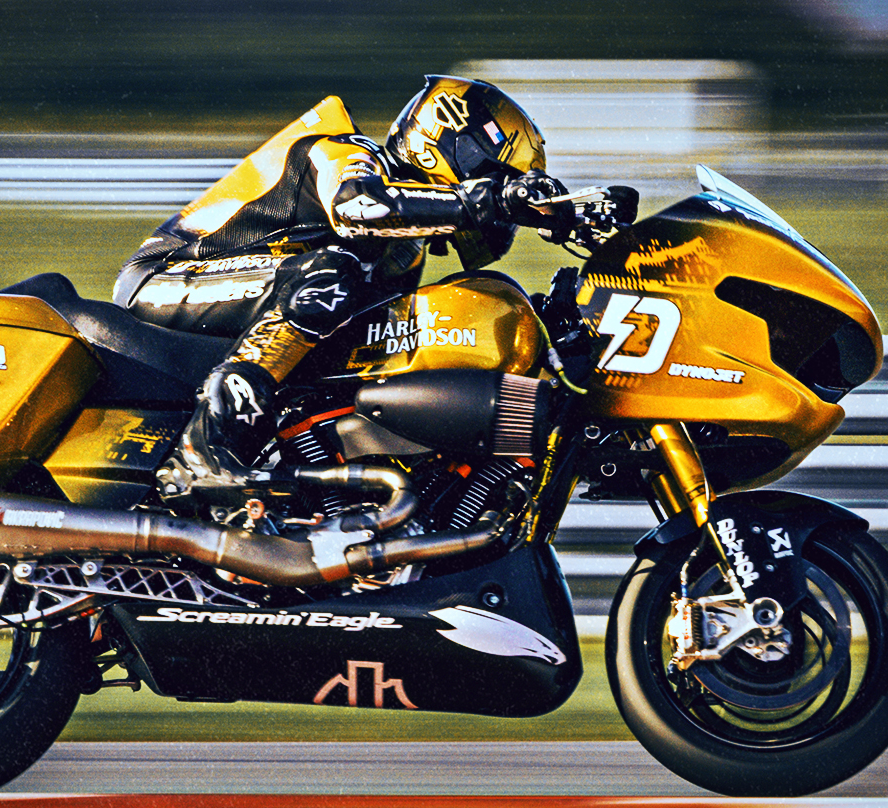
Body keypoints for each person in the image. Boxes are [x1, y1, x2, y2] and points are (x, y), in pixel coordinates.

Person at [114, 75, 595, 499]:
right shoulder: (347, 151)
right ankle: (203, 447)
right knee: (329, 275)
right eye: (495, 174)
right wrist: (491, 200)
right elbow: (357, 206)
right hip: (167, 276)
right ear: (447, 141)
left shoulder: (404, 253)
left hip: (251, 296)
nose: (498, 190)